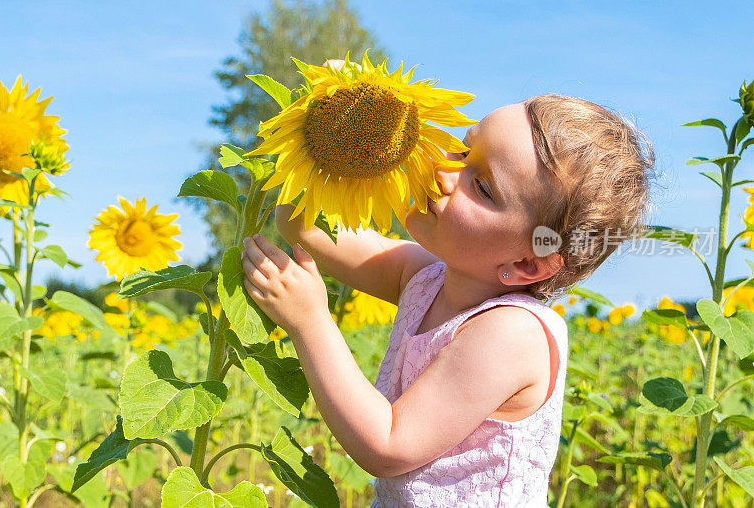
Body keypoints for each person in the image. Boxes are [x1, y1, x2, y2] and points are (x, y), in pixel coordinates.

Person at [240, 95, 654, 506]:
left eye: (482, 185)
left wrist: (310, 321)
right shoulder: (424, 277)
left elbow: (386, 447)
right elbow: (304, 225)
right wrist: (327, 121)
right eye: (462, 148)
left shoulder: (512, 334)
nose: (444, 171)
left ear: (527, 262)